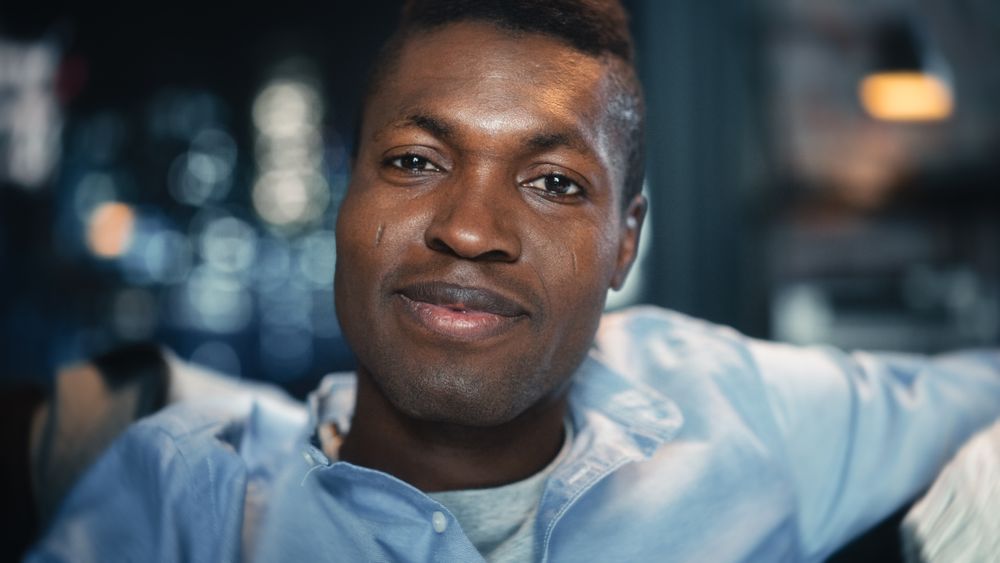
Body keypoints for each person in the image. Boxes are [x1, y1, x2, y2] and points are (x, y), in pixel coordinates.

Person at [26, 1, 1000, 561]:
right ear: (344, 198)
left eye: (551, 181)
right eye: (414, 162)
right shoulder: (185, 503)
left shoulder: (737, 404)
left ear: (626, 242)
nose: (469, 227)